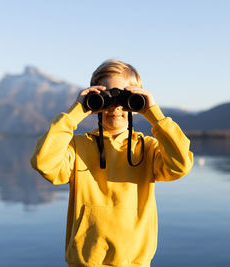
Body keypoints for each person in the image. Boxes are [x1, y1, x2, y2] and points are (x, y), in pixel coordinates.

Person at [30, 59, 193, 267]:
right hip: (85, 262)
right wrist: (75, 113)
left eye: (124, 97)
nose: (115, 106)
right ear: (94, 100)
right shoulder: (77, 147)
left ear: (136, 102)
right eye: (106, 97)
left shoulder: (148, 148)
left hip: (135, 263)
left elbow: (180, 165)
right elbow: (44, 162)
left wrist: (154, 114)